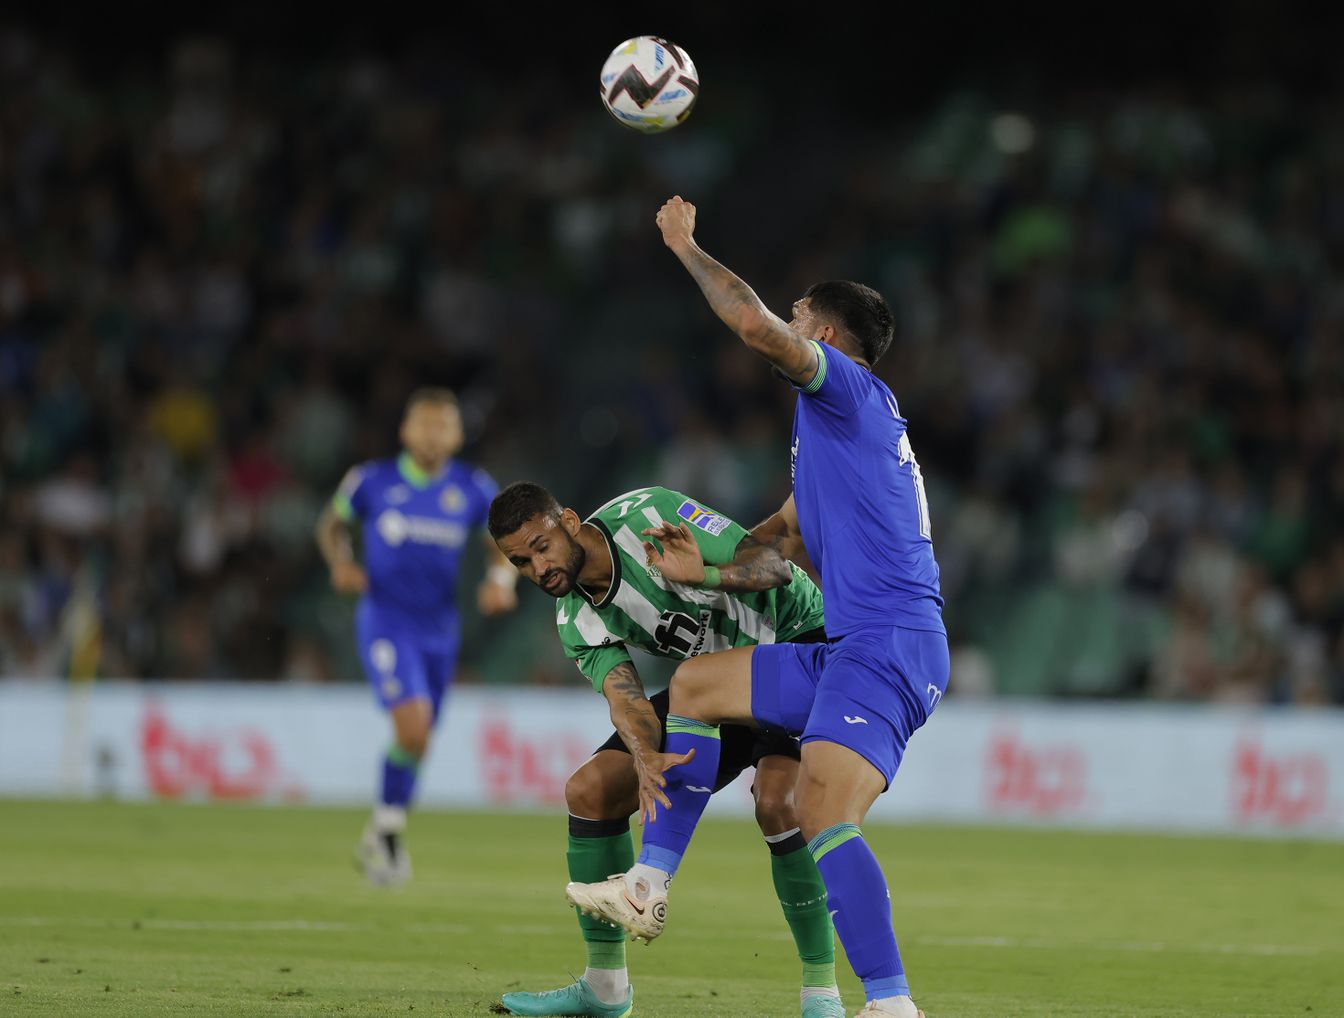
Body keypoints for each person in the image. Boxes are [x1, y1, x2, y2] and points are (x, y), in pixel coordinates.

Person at [566, 197, 949, 1018]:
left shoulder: (850, 393)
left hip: (889, 643)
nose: (790, 320)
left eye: (803, 314)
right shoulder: (831, 441)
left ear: (831, 338)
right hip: (852, 647)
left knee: (820, 811)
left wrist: (686, 246)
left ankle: (890, 1005)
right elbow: (772, 546)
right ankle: (647, 884)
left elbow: (752, 325)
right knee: (699, 686)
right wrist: (697, 569)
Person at [488, 481, 844, 1018]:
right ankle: (604, 990)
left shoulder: (649, 516)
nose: (538, 569)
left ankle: (822, 994)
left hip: (796, 642)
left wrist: (701, 573)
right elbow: (626, 701)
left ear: (568, 520)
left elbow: (771, 564)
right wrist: (644, 755)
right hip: (711, 692)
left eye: (542, 547)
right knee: (590, 791)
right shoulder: (576, 620)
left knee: (778, 804)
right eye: (520, 562)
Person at [314, 387, 517, 885]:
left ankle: (383, 828)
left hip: (440, 630)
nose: (432, 434)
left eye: (442, 425)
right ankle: (386, 835)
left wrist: (500, 581)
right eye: (423, 424)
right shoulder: (372, 480)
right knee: (413, 727)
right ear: (405, 431)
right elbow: (331, 524)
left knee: (420, 739)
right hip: (386, 621)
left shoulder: (471, 488)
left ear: (457, 434)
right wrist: (341, 563)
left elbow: (501, 545)